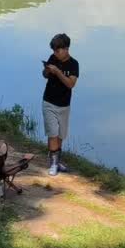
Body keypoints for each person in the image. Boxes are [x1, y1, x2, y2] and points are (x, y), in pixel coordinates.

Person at [42, 32, 79, 176]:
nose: (55, 53)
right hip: (48, 101)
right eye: (53, 51)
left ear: (66, 49)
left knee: (60, 135)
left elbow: (70, 84)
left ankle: (57, 162)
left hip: (64, 105)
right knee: (52, 132)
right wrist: (46, 70)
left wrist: (57, 72)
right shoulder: (52, 58)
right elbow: (45, 76)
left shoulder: (74, 64)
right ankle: (53, 164)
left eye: (57, 51)